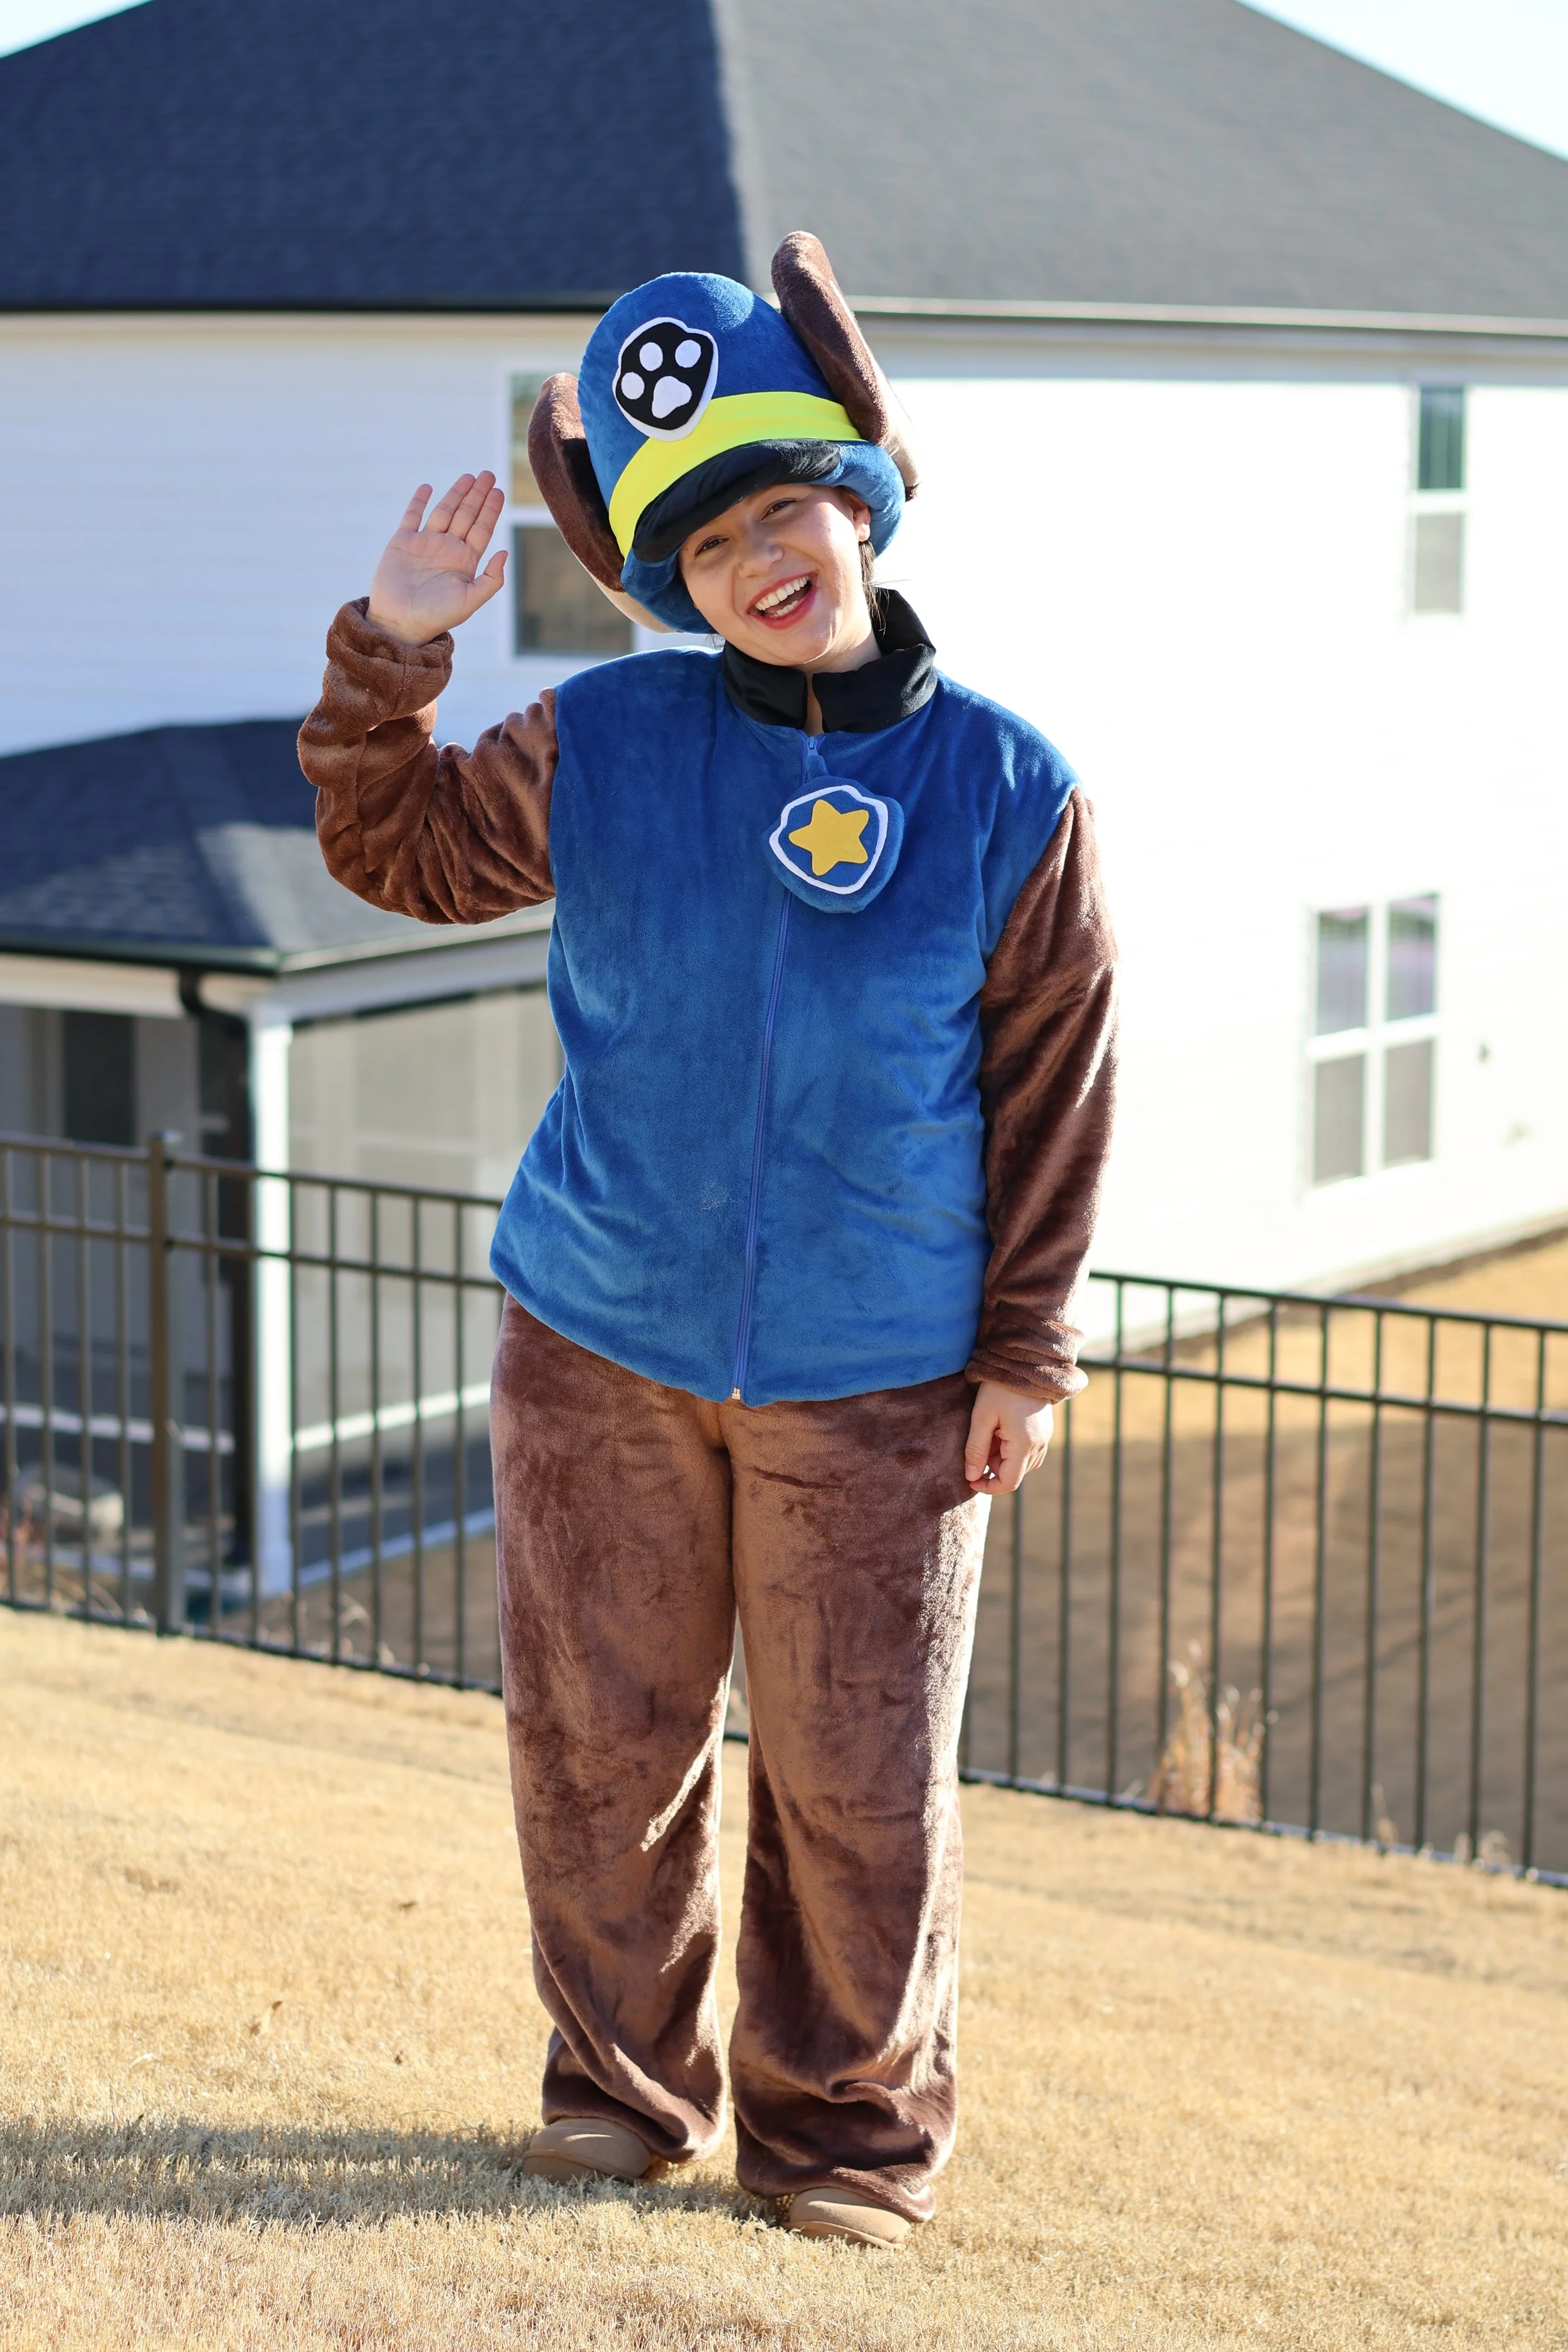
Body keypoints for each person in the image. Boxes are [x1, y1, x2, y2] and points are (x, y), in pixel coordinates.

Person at [299, 233, 1116, 2250]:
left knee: (860, 1790)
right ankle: (615, 2093)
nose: (766, 558)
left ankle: (842, 2143)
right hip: (601, 1341)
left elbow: (1056, 1087)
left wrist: (1024, 1349)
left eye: (789, 507)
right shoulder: (608, 745)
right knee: (601, 1753)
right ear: (667, 578)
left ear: (860, 499)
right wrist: (393, 650)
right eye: (713, 537)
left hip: (886, 1378)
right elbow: (392, 851)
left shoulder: (1009, 785)